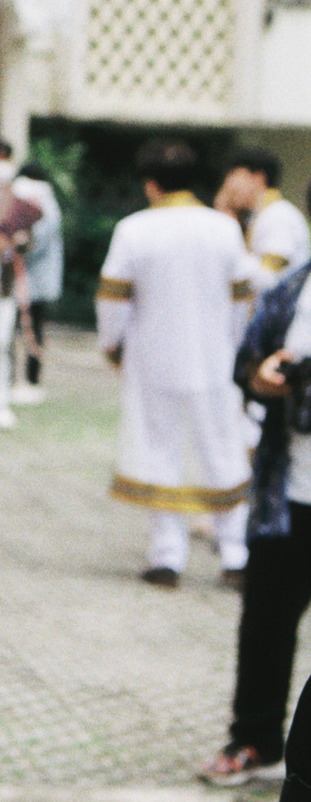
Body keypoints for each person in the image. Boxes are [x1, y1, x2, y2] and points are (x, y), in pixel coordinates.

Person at [96, 140, 253, 586]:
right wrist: (233, 346)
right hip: (214, 360)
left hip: (154, 359)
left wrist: (114, 346)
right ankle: (236, 553)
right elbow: (242, 298)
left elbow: (113, 300)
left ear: (150, 185)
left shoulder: (134, 230)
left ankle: (168, 556)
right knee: (222, 448)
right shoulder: (224, 229)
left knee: (160, 449)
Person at [201, 244, 311, 782]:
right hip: (286, 491)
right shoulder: (293, 288)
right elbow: (245, 362)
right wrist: (261, 376)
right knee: (266, 621)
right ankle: (255, 741)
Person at [218, 148, 310, 295]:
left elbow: (268, 279)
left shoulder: (279, 215)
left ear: (258, 178)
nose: (228, 185)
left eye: (234, 175)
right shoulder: (258, 216)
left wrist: (226, 227)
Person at [11, 160, 64, 401]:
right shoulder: (30, 197)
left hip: (38, 278)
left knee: (33, 329)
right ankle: (10, 378)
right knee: (13, 329)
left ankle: (32, 380)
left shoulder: (45, 202)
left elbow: (40, 238)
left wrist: (20, 245)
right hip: (21, 277)